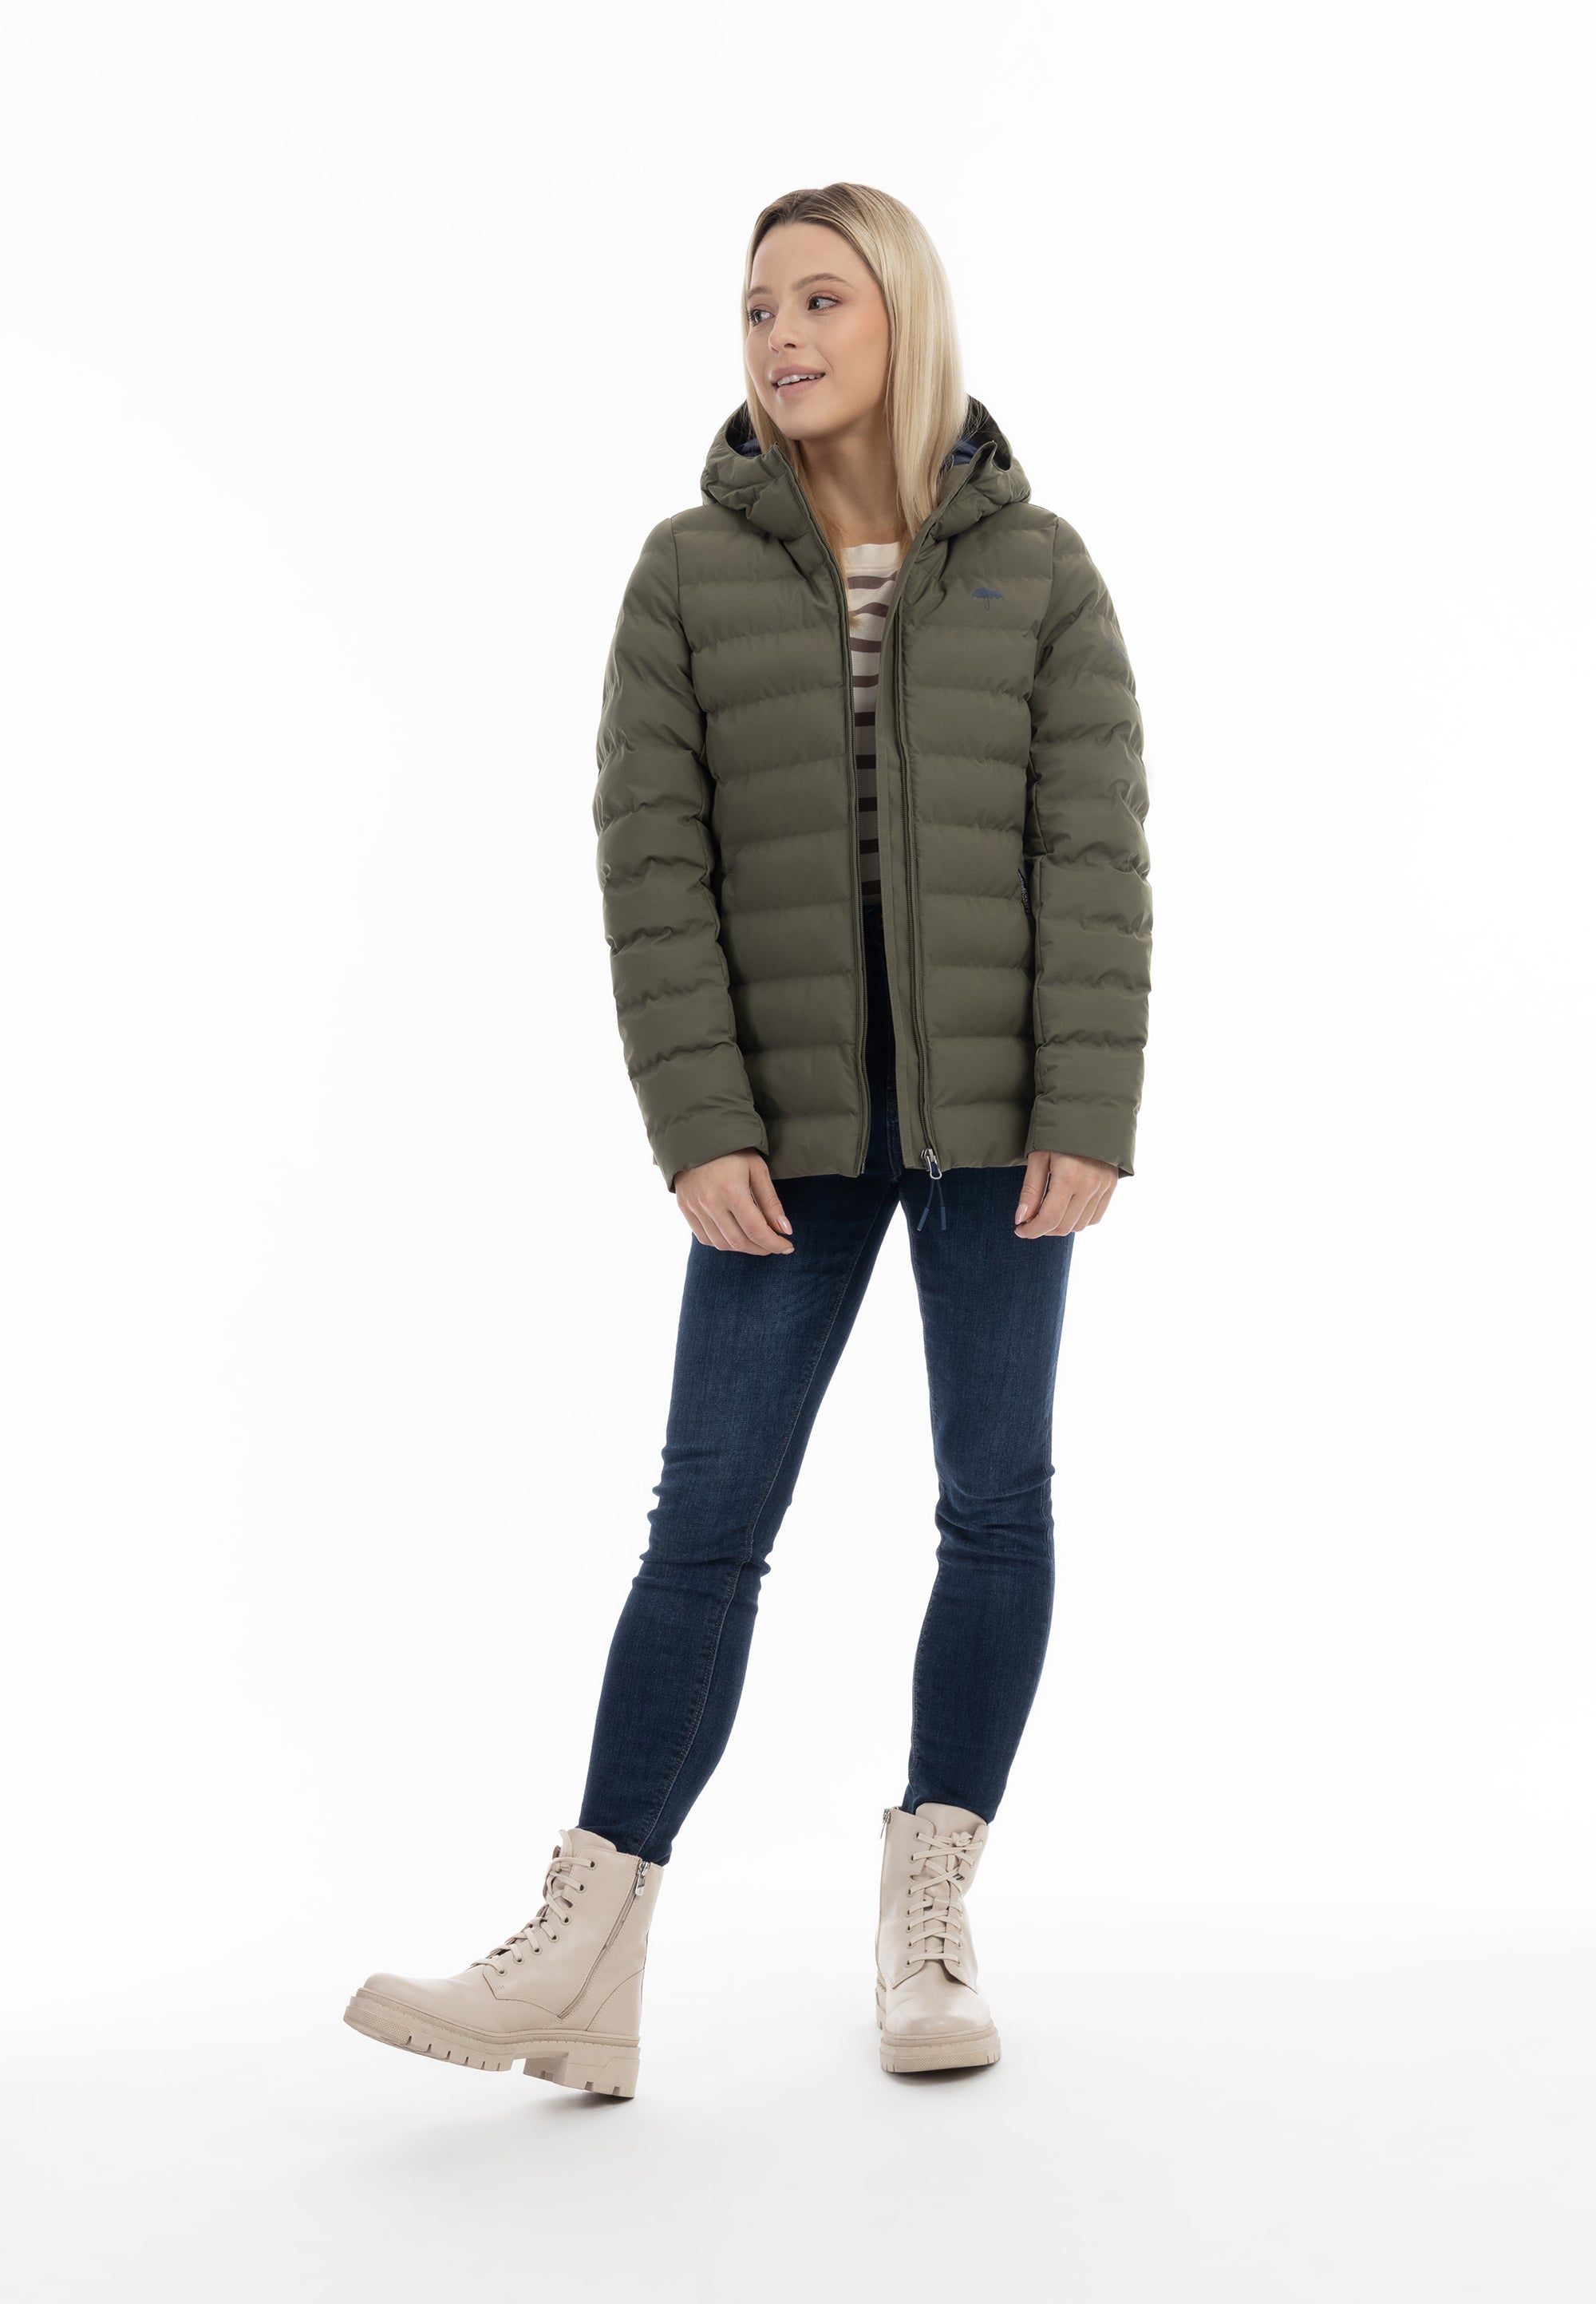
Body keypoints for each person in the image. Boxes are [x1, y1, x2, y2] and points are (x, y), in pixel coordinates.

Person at [344, 181, 1152, 2099]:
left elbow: (1092, 851)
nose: (780, 337)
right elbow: (653, 863)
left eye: (819, 300)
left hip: (994, 1123)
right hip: (781, 1126)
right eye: (756, 308)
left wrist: (1086, 1106)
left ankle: (927, 1919)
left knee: (996, 1505)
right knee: (704, 1523)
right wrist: (699, 1120)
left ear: (902, 320)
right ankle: (585, 1951)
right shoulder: (686, 574)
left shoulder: (1036, 571)